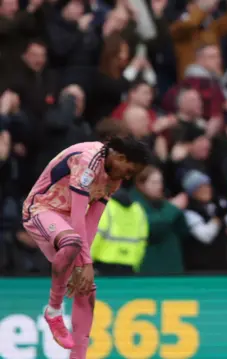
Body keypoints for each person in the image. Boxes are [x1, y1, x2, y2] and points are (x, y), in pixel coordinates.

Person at [21, 136, 150, 358]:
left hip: (68, 223)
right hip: (42, 210)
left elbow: (92, 221)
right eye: (129, 170)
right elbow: (79, 216)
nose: (128, 177)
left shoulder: (113, 178)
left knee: (86, 288)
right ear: (119, 157)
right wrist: (86, 262)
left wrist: (83, 267)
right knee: (73, 243)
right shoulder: (88, 160)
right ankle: (54, 311)